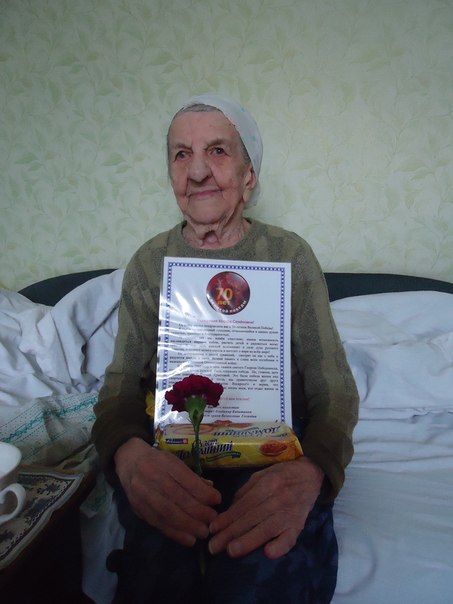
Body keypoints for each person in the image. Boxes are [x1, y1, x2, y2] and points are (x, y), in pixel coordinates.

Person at [92, 94, 359, 603]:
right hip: (174, 451)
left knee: (261, 576)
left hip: (275, 453)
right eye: (181, 154)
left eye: (217, 151)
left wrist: (313, 471)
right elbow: (119, 389)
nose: (197, 172)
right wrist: (126, 454)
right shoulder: (149, 264)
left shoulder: (289, 256)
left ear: (249, 174)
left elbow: (335, 391)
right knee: (158, 577)